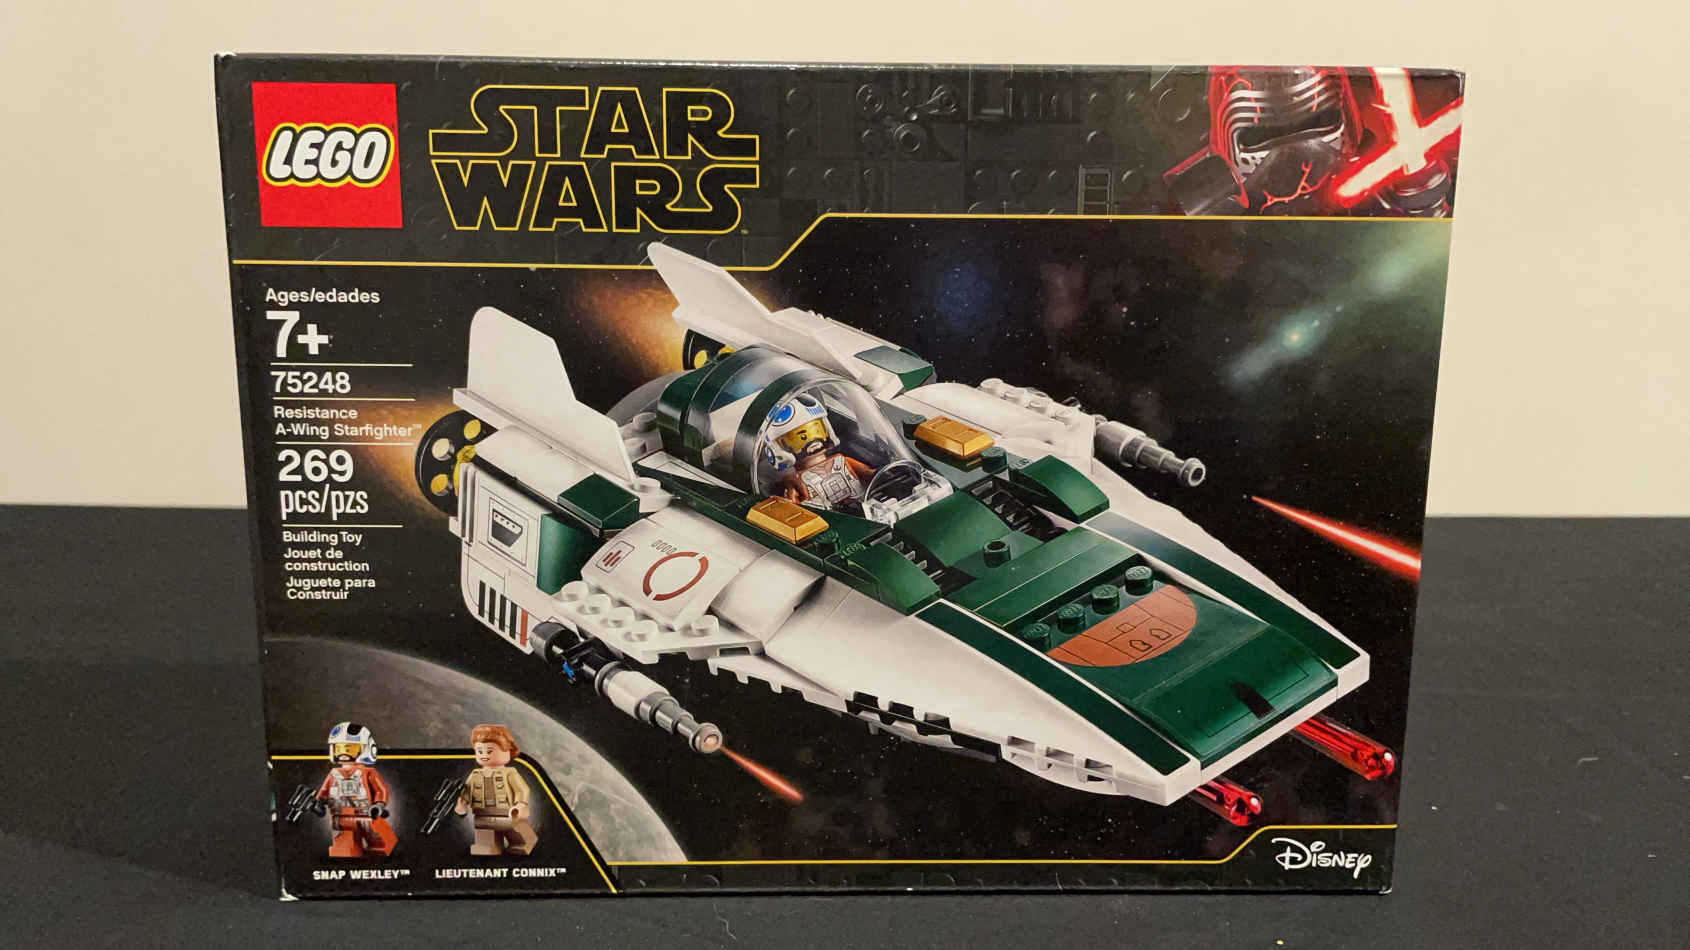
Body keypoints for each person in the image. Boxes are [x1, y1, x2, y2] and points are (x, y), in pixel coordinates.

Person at [764, 396, 876, 511]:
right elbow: (793, 506)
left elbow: (869, 474)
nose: (814, 441)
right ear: (778, 449)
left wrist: (880, 476)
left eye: (817, 431)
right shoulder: (796, 482)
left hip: (865, 508)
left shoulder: (842, 461)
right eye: (802, 438)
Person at [313, 721, 397, 858]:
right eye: (339, 748)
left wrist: (379, 805)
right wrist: (319, 802)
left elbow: (381, 790)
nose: (343, 753)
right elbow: (324, 791)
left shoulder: (368, 772)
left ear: (365, 749)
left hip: (366, 815)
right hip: (340, 816)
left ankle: (378, 852)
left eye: (349, 749)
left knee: (380, 841)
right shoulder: (334, 773)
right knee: (343, 848)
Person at [453, 723, 539, 856]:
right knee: (485, 837)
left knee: (517, 832)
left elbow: (522, 790)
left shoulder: (510, 773)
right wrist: (462, 804)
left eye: (489, 751)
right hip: (482, 815)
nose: (484, 755)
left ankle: (521, 843)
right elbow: (467, 793)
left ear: (507, 750)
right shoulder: (475, 775)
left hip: (508, 813)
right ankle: (488, 846)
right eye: (479, 751)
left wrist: (521, 804)